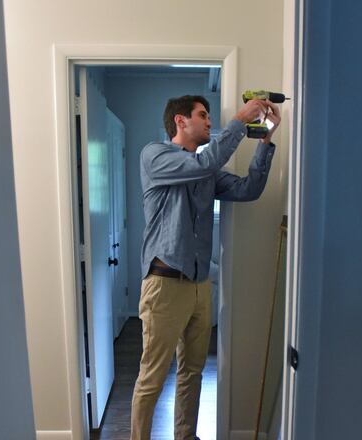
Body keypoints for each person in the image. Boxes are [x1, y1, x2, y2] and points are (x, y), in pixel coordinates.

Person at [131, 94, 281, 440]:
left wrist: (266, 142)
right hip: (164, 283)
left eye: (211, 117)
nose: (210, 122)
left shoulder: (205, 169)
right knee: (152, 377)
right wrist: (240, 121)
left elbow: (248, 190)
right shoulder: (155, 155)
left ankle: (186, 437)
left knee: (192, 372)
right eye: (203, 115)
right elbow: (201, 165)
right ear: (181, 121)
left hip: (199, 285)